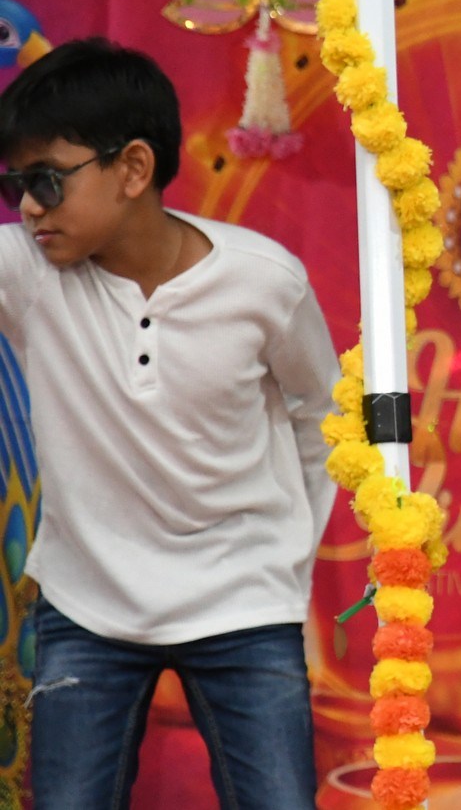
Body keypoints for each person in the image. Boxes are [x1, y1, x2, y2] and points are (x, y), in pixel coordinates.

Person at [0, 39, 338, 808]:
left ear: (133, 168)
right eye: (15, 185)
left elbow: (322, 416)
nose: (28, 207)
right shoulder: (28, 270)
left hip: (245, 601)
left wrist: (287, 554)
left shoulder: (264, 281)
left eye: (46, 179)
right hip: (87, 604)